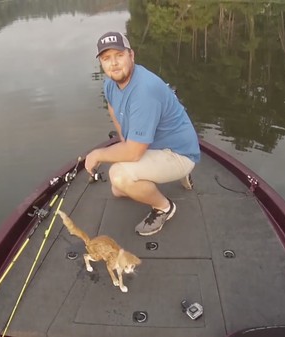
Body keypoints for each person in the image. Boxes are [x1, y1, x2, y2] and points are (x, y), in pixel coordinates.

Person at [85, 31, 201, 236]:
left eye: (119, 55)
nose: (113, 63)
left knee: (119, 176)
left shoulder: (145, 90)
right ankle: (177, 175)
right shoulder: (110, 83)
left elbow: (134, 153)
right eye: (106, 58)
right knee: (118, 190)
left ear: (131, 55)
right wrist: (124, 138)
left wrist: (97, 154)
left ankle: (165, 207)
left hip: (178, 152)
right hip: (155, 146)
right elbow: (112, 107)